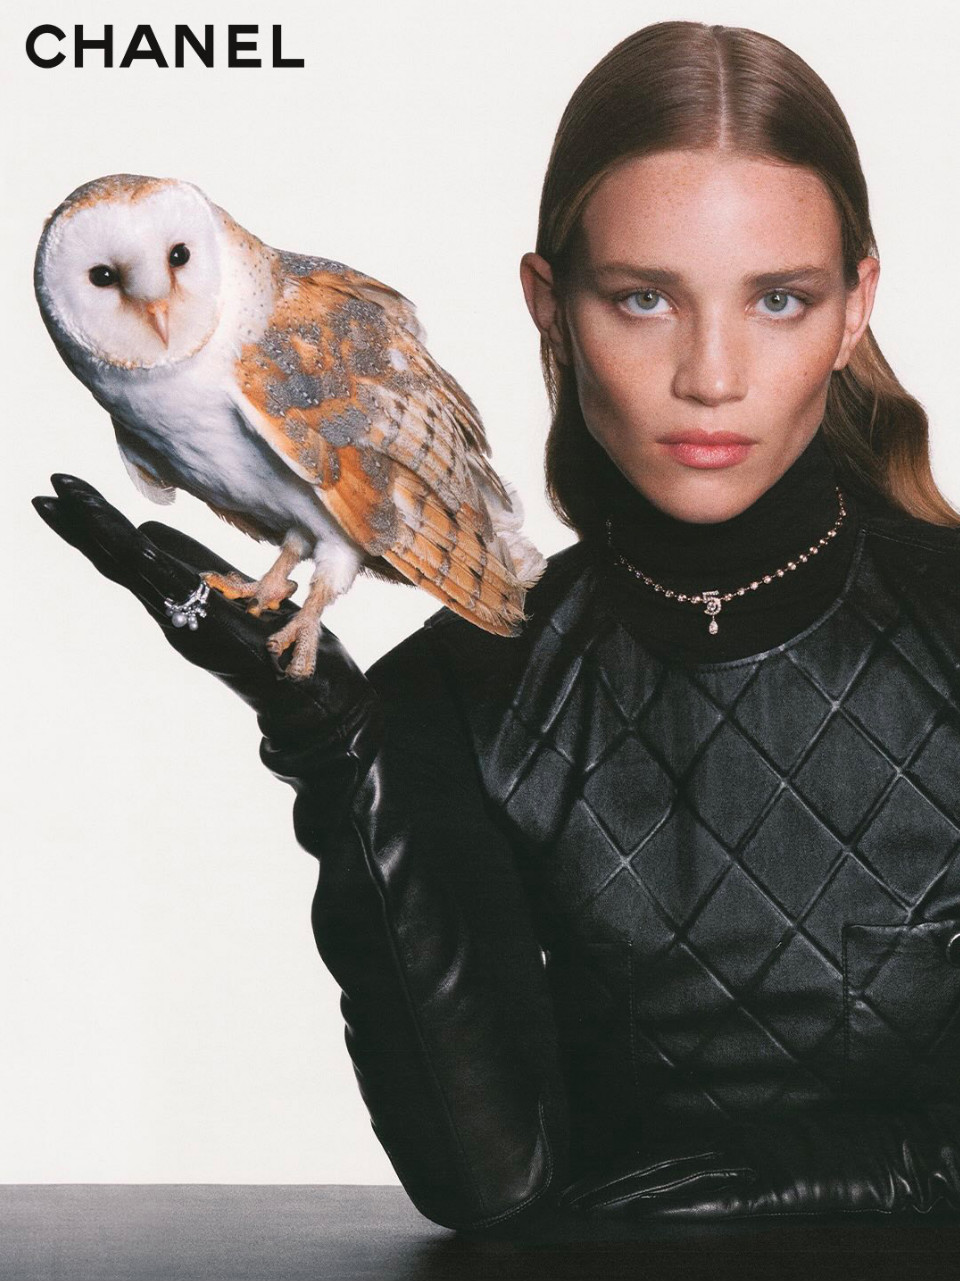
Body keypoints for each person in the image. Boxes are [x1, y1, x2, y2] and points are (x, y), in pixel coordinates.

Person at [33, 20, 960, 1236]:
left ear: (854, 310)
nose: (711, 375)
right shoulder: (457, 691)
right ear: (550, 307)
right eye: (642, 299)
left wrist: (855, 1180)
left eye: (779, 299)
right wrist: (341, 758)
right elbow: (493, 1185)